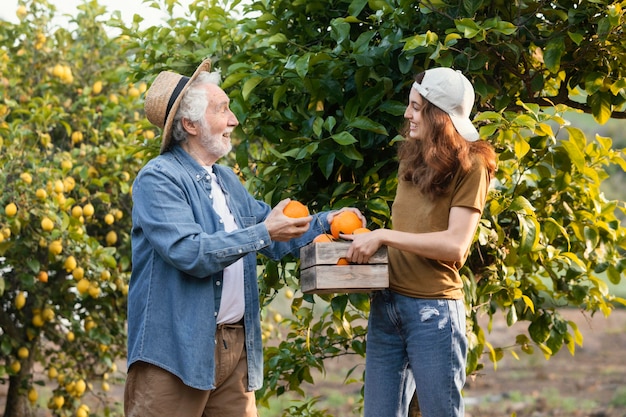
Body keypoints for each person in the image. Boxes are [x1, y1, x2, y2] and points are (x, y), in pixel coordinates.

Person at [124, 58, 364, 417]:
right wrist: (264, 230)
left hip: (233, 348)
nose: (233, 120)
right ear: (190, 124)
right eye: (222, 110)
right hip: (175, 350)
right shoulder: (158, 180)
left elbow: (274, 234)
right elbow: (191, 252)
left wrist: (326, 221)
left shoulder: (226, 181)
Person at [343, 67, 497, 417]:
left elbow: (456, 246)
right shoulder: (411, 157)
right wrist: (369, 233)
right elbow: (411, 230)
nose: (407, 114)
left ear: (437, 115)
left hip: (434, 312)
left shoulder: (472, 166)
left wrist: (383, 235)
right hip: (388, 305)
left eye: (415, 107)